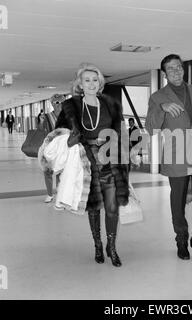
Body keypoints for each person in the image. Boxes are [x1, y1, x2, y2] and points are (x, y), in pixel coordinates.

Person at [56, 63, 129, 267]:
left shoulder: (112, 105)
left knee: (112, 208)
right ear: (80, 83)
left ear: (100, 83)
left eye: (95, 79)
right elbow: (59, 135)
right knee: (94, 207)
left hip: (110, 162)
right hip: (86, 164)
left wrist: (126, 155)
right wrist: (71, 139)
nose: (91, 83)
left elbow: (121, 131)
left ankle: (111, 247)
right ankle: (98, 244)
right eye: (86, 80)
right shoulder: (71, 106)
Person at [145, 54, 192, 262]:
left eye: (179, 67)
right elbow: (151, 129)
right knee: (178, 199)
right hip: (176, 153)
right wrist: (161, 108)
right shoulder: (158, 97)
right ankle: (181, 238)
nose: (176, 71)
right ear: (164, 74)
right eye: (171, 69)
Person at [43, 94, 66, 203]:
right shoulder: (47, 117)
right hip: (49, 148)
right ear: (52, 103)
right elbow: (42, 131)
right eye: (57, 102)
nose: (59, 104)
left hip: (63, 148)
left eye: (62, 102)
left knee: (60, 172)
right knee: (47, 171)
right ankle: (49, 194)